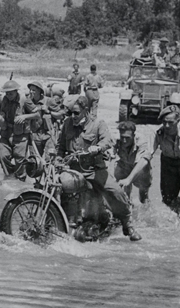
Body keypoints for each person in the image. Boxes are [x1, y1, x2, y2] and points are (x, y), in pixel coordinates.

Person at [57, 96, 141, 241]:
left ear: (86, 111)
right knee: (58, 186)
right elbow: (61, 147)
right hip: (73, 170)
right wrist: (57, 159)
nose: (73, 116)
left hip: (93, 170)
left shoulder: (97, 124)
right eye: (70, 112)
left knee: (116, 191)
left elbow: (107, 140)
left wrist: (97, 148)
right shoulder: (67, 124)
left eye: (76, 113)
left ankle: (128, 223)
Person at [0, 80, 40, 181]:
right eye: (7, 93)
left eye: (11, 93)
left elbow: (37, 115)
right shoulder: (2, 99)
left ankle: (20, 179)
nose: (9, 95)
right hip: (6, 133)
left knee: (20, 159)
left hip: (21, 135)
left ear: (16, 91)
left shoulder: (25, 100)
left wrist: (24, 116)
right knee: (2, 156)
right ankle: (10, 176)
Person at [112, 121, 152, 203]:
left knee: (144, 198)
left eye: (127, 138)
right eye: (122, 137)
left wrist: (129, 179)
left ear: (133, 135)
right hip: (124, 166)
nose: (124, 140)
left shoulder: (142, 140)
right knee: (124, 196)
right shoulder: (116, 139)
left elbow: (144, 160)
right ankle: (127, 204)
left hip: (140, 169)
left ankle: (145, 211)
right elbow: (110, 156)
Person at [27, 81, 56, 158]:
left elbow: (60, 115)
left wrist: (48, 111)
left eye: (33, 90)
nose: (31, 92)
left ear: (39, 91)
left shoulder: (49, 101)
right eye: (30, 90)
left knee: (49, 159)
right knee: (35, 160)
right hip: (34, 135)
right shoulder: (28, 102)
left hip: (47, 135)